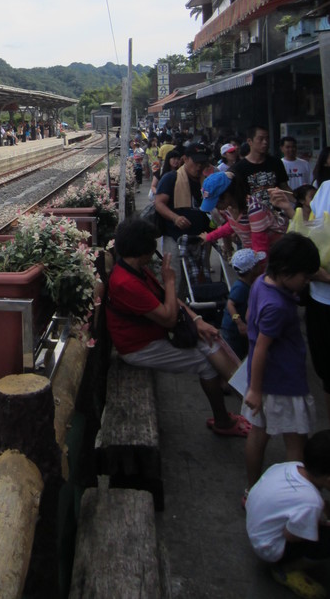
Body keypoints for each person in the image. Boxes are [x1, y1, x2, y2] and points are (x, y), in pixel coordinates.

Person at [107, 218, 249, 436]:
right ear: (144, 249)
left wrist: (197, 320)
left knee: (208, 339)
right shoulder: (125, 282)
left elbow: (165, 298)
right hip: (138, 347)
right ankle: (235, 410)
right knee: (207, 363)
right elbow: (169, 318)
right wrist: (171, 281)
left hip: (152, 334)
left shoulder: (134, 267)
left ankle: (245, 393)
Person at [242, 233, 320, 502]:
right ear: (287, 271)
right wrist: (254, 389)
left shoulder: (261, 284)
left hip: (263, 379)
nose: (307, 283)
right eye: (305, 277)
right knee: (296, 441)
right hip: (283, 381)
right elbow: (264, 345)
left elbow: (252, 322)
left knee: (258, 432)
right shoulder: (278, 305)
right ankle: (295, 500)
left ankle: (251, 490)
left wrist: (255, 386)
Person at [246, 430, 330, 599]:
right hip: (269, 547)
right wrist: (315, 525)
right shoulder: (312, 502)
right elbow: (291, 535)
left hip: (255, 527)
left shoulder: (290, 466)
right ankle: (285, 569)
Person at [154, 142, 211, 292]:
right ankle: (175, 311)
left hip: (200, 239)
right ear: (185, 159)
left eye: (202, 163)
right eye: (196, 162)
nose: (199, 166)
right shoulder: (171, 178)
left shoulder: (206, 181)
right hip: (175, 238)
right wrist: (175, 218)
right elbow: (159, 203)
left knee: (199, 279)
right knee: (176, 279)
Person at [198, 171, 289, 255]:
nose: (215, 207)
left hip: (275, 255)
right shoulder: (228, 207)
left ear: (227, 195)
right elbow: (232, 225)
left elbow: (261, 248)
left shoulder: (254, 210)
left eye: (216, 202)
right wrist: (209, 237)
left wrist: (255, 269)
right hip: (255, 254)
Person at [220, 248, 266, 359]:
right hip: (232, 331)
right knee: (236, 356)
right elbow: (230, 304)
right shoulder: (240, 288)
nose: (261, 266)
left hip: (238, 330)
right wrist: (239, 323)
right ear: (252, 269)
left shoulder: (249, 284)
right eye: (258, 264)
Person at [232, 125, 291, 209]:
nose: (265, 142)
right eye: (260, 139)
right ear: (250, 141)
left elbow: (284, 187)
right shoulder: (239, 168)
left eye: (267, 138)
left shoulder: (276, 163)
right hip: (253, 216)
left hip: (276, 215)